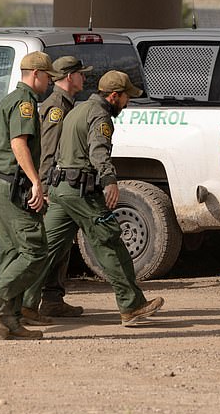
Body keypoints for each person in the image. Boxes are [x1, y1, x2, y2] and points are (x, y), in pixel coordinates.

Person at [41, 70, 164, 326]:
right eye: (126, 97)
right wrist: (109, 182)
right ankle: (131, 305)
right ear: (114, 95)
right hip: (80, 191)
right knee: (110, 243)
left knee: (43, 248)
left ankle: (14, 304)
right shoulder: (100, 115)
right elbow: (99, 152)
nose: (127, 103)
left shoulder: (78, 109)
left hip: (61, 189)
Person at [0, 51, 53, 340]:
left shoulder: (10, 99)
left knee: (12, 253)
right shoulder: (25, 101)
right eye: (47, 77)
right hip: (13, 185)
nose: (49, 82)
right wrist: (36, 182)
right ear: (35, 74)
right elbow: (19, 144)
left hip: (1, 184)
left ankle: (9, 320)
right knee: (35, 251)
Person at [21, 55, 93, 323]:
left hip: (62, 183)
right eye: (81, 74)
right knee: (50, 244)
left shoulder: (66, 104)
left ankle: (52, 299)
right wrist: (45, 186)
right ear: (69, 77)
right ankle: (29, 303)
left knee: (61, 245)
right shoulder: (56, 108)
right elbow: (48, 150)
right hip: (54, 185)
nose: (84, 79)